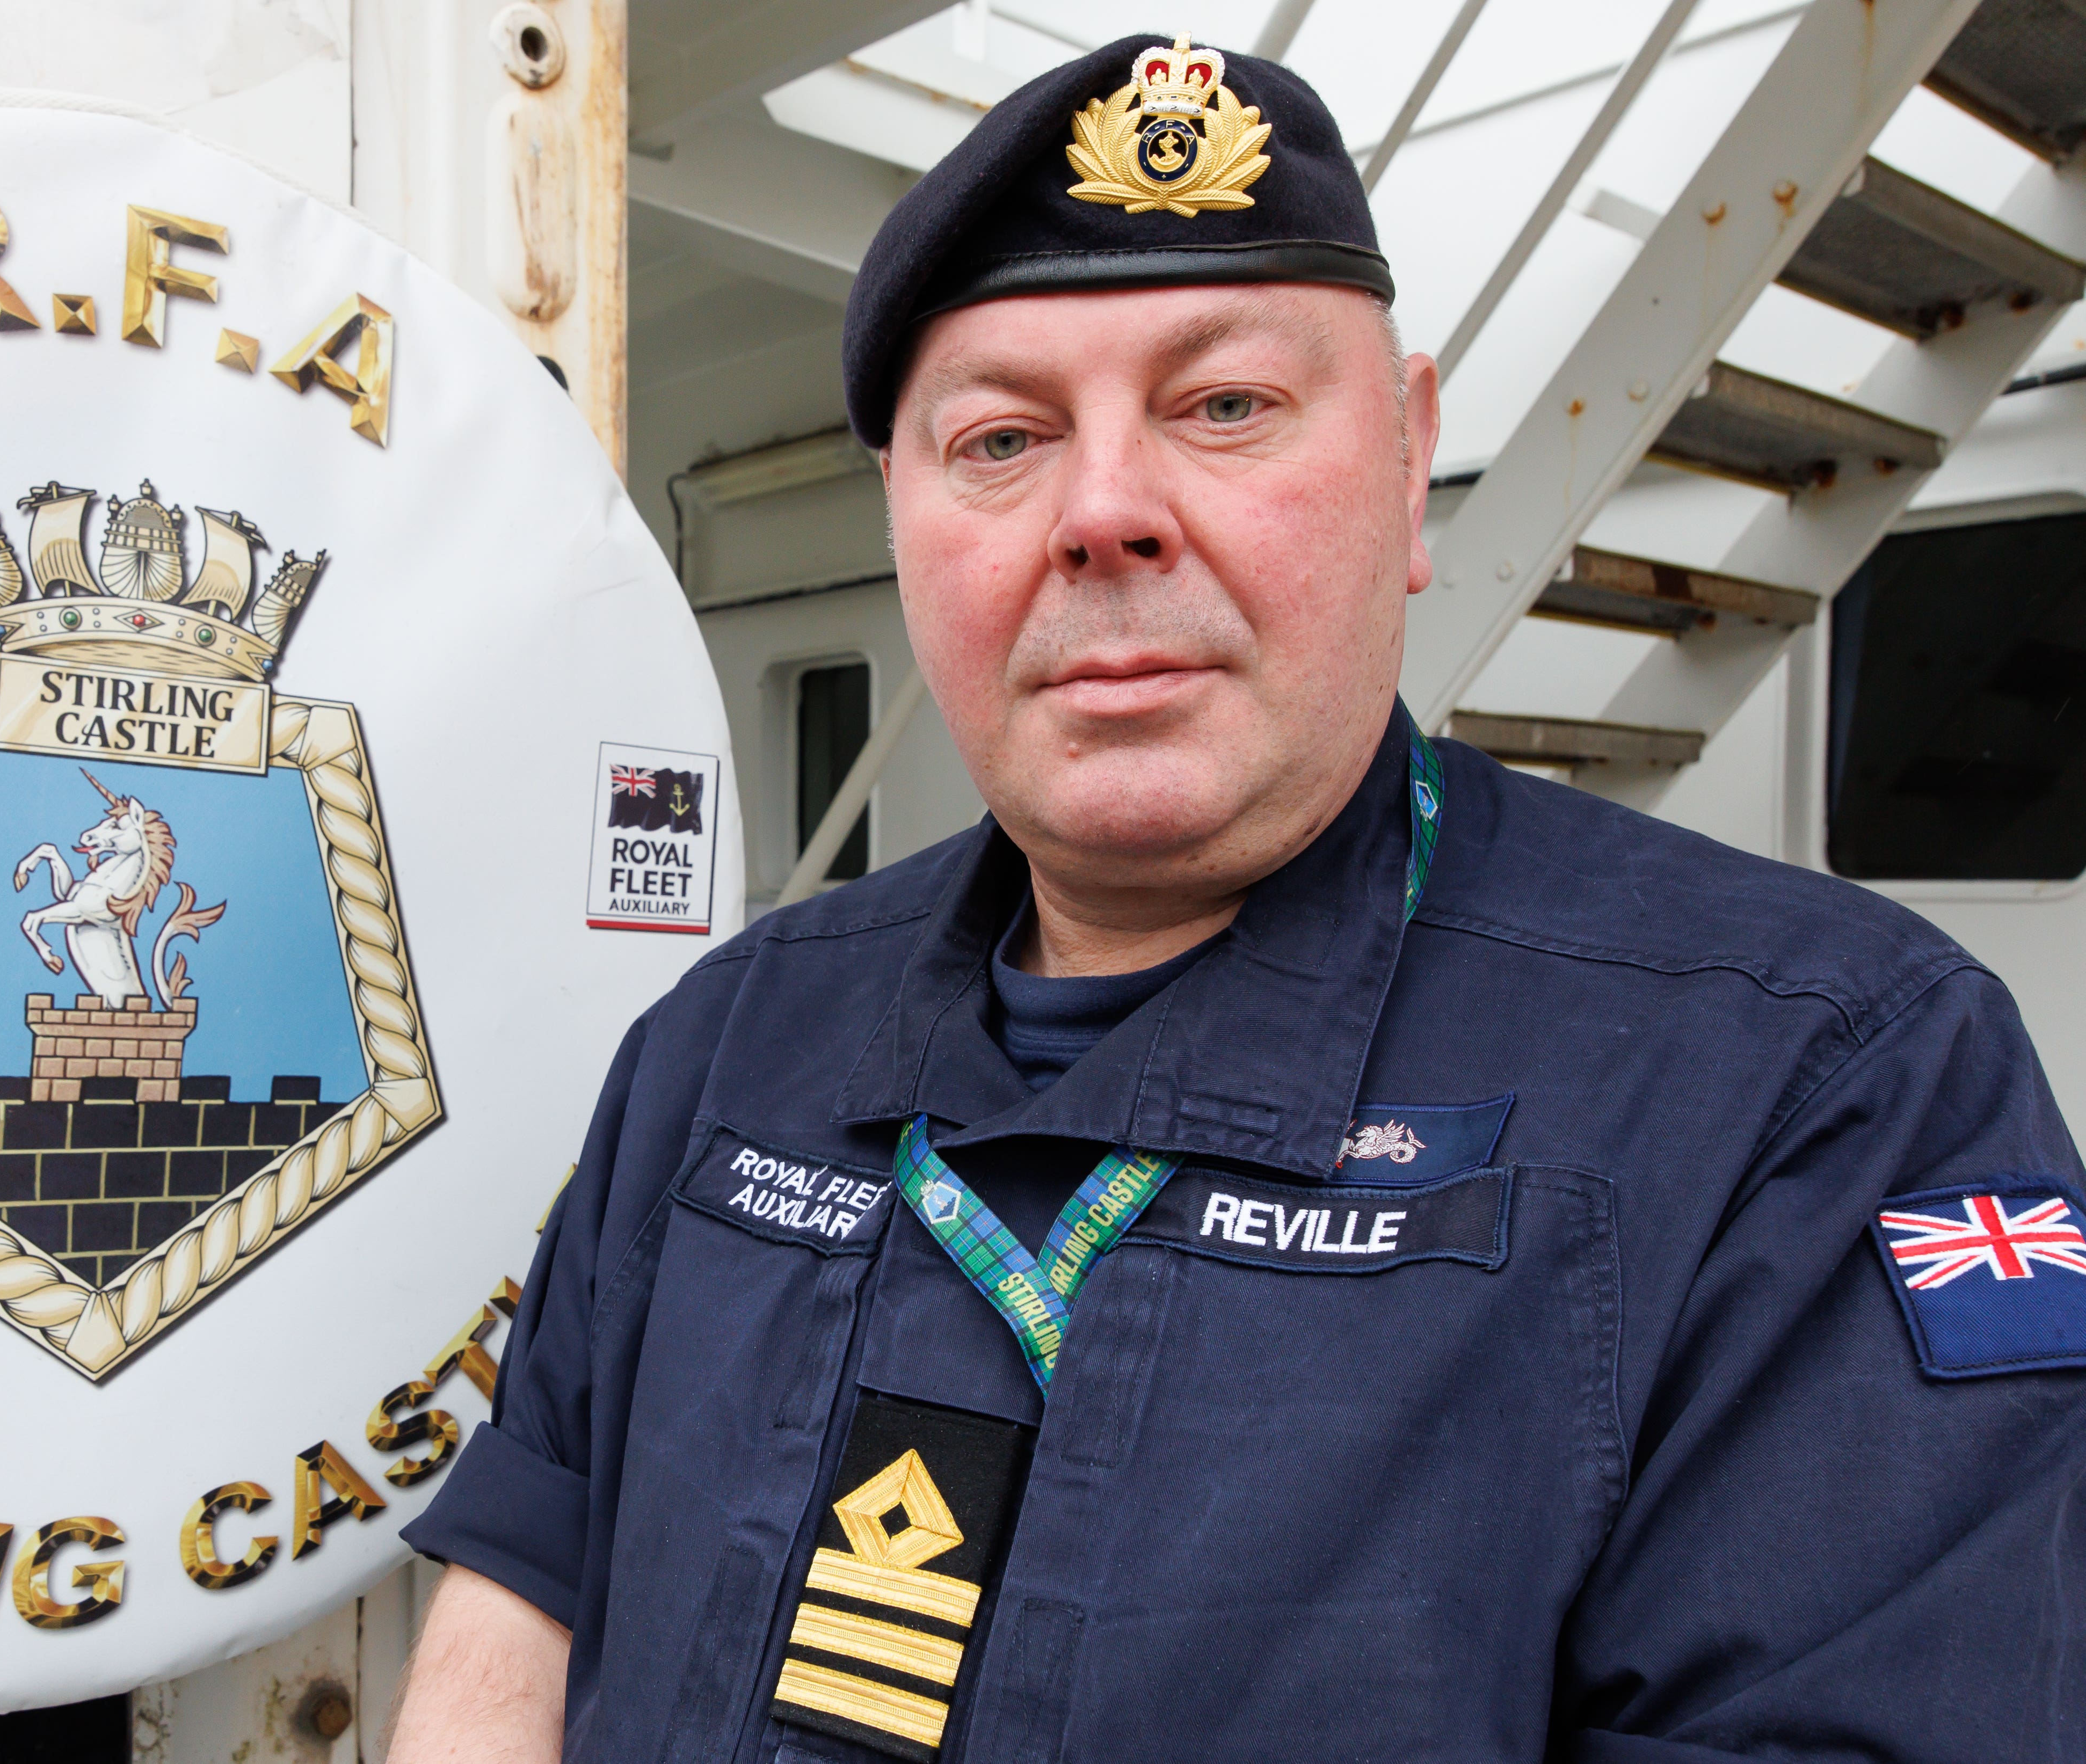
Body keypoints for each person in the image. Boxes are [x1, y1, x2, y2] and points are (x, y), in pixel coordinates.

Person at [390, 33, 2086, 1763]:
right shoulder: (725, 1037)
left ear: (1411, 461)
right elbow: (526, 1580)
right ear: (902, 512)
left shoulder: (1827, 1092)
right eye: (1000, 439)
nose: (1106, 510)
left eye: (1226, 408)